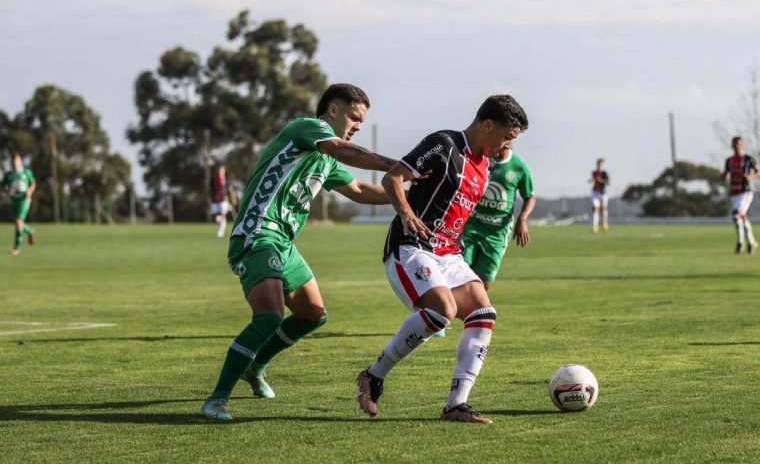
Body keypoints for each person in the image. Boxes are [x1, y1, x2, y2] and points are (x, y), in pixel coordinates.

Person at [201, 83, 397, 421]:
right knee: (270, 316)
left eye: (362, 123)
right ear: (332, 110)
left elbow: (361, 190)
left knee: (313, 315)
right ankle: (216, 400)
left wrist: (410, 190)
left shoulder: (326, 158)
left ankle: (256, 367)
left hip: (284, 243)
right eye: (354, 118)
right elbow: (345, 151)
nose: (357, 127)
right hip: (257, 232)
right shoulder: (308, 128)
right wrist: (398, 165)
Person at [356, 95, 528, 424]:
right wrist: (406, 213)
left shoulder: (487, 164)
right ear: (488, 125)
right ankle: (373, 375)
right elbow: (392, 177)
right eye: (506, 137)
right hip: (412, 247)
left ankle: (456, 405)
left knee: (484, 313)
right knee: (442, 311)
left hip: (448, 253)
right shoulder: (444, 144)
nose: (506, 147)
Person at [461, 142, 536, 291]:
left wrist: (522, 218)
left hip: (497, 234)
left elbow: (530, 197)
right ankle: (446, 310)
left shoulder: (519, 167)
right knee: (460, 272)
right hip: (472, 227)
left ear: (508, 143)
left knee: (484, 284)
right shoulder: (482, 161)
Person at [721, 137, 760, 254]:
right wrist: (723, 175)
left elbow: (759, 172)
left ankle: (740, 243)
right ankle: (752, 243)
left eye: (738, 144)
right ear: (732, 146)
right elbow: (726, 173)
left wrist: (751, 177)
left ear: (742, 145)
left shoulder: (748, 159)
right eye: (734, 144)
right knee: (741, 218)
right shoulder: (729, 161)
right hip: (734, 192)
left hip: (746, 192)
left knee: (736, 214)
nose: (736, 146)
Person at [1, 153, 36, 256]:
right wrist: (7, 191)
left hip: (24, 199)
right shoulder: (8, 175)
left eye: (17, 161)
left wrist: (29, 191)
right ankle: (30, 231)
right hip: (14, 200)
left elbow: (33, 183)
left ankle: (17, 248)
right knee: (17, 223)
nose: (15, 163)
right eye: (13, 161)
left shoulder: (26, 172)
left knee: (19, 221)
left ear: (20, 162)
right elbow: (2, 187)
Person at [209, 165, 238, 238]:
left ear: (224, 171)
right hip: (215, 200)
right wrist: (209, 198)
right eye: (219, 170)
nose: (220, 172)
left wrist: (234, 199)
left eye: (222, 170)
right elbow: (210, 190)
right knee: (215, 217)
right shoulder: (213, 180)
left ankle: (221, 231)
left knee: (223, 215)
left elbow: (231, 191)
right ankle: (221, 224)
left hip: (223, 200)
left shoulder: (226, 180)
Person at [589, 158, 610, 233]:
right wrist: (591, 180)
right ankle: (595, 226)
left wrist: (600, 180)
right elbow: (592, 180)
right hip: (595, 193)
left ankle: (604, 223)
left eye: (601, 165)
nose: (599, 166)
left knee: (604, 209)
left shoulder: (605, 173)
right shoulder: (594, 173)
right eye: (598, 164)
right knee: (596, 208)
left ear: (603, 165)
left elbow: (609, 183)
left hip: (603, 193)